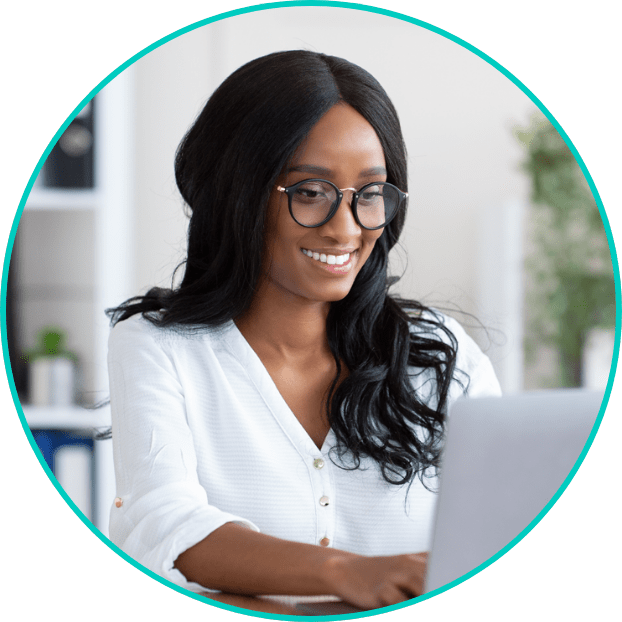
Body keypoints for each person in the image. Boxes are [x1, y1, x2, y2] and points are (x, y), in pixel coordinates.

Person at [106, 50, 501, 610]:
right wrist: (348, 573)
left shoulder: (440, 354)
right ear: (237, 193)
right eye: (311, 192)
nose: (346, 229)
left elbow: (504, 532)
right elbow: (167, 524)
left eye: (369, 194)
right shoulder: (158, 347)